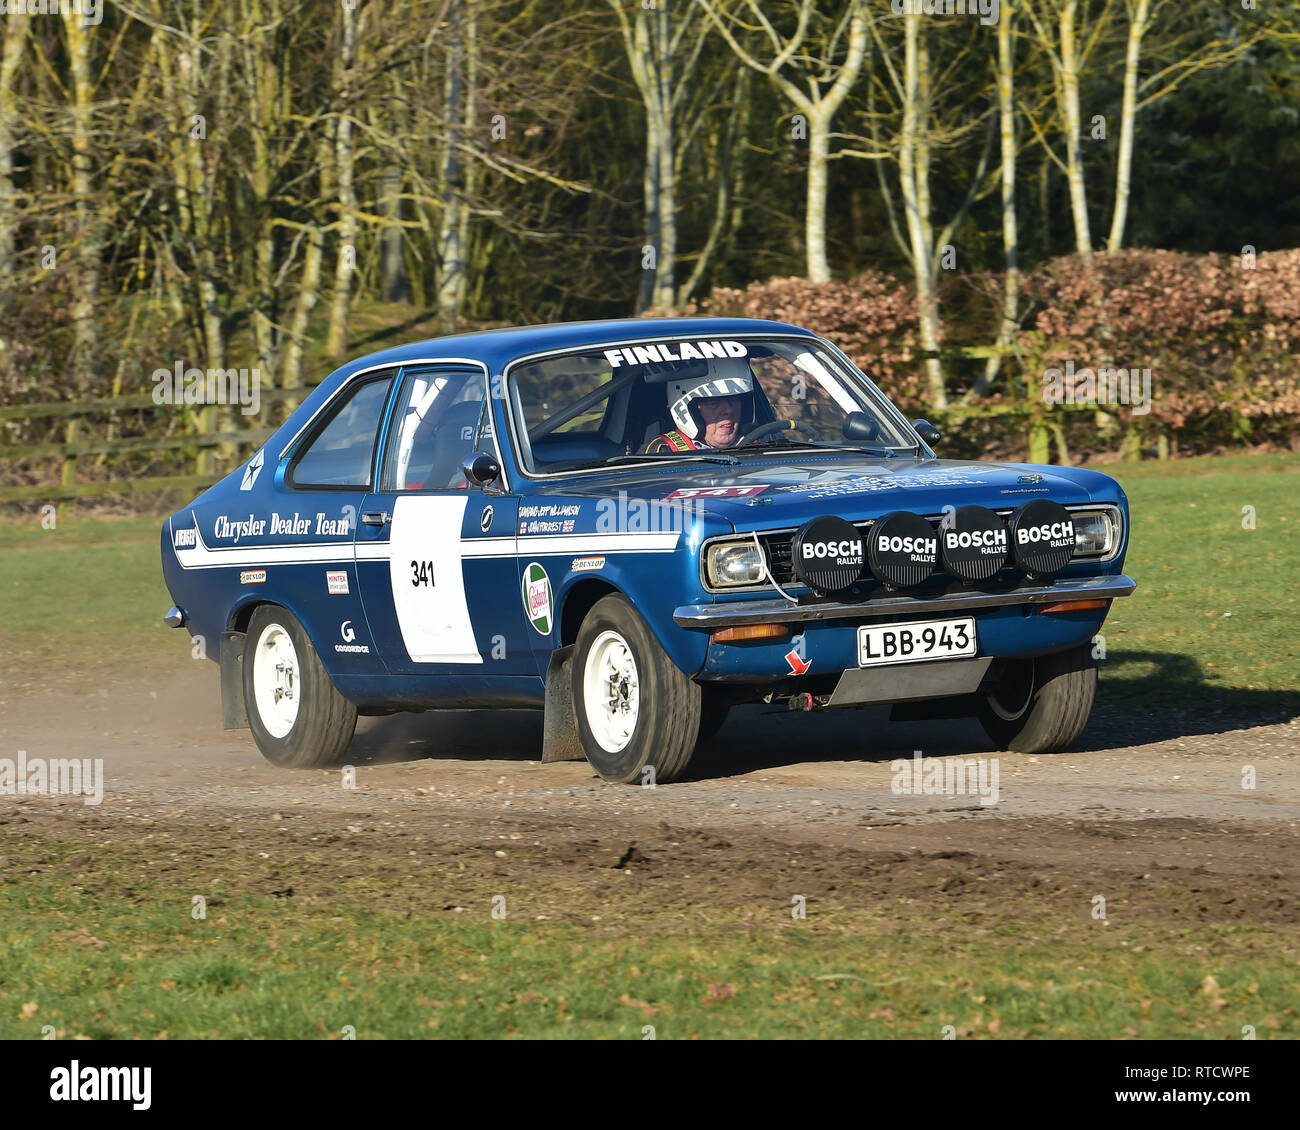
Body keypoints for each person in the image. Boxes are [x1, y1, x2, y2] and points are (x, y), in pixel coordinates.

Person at [644, 358, 753, 453]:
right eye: (713, 403)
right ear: (688, 410)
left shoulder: (765, 442)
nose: (728, 410)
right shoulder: (663, 452)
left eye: (733, 400)